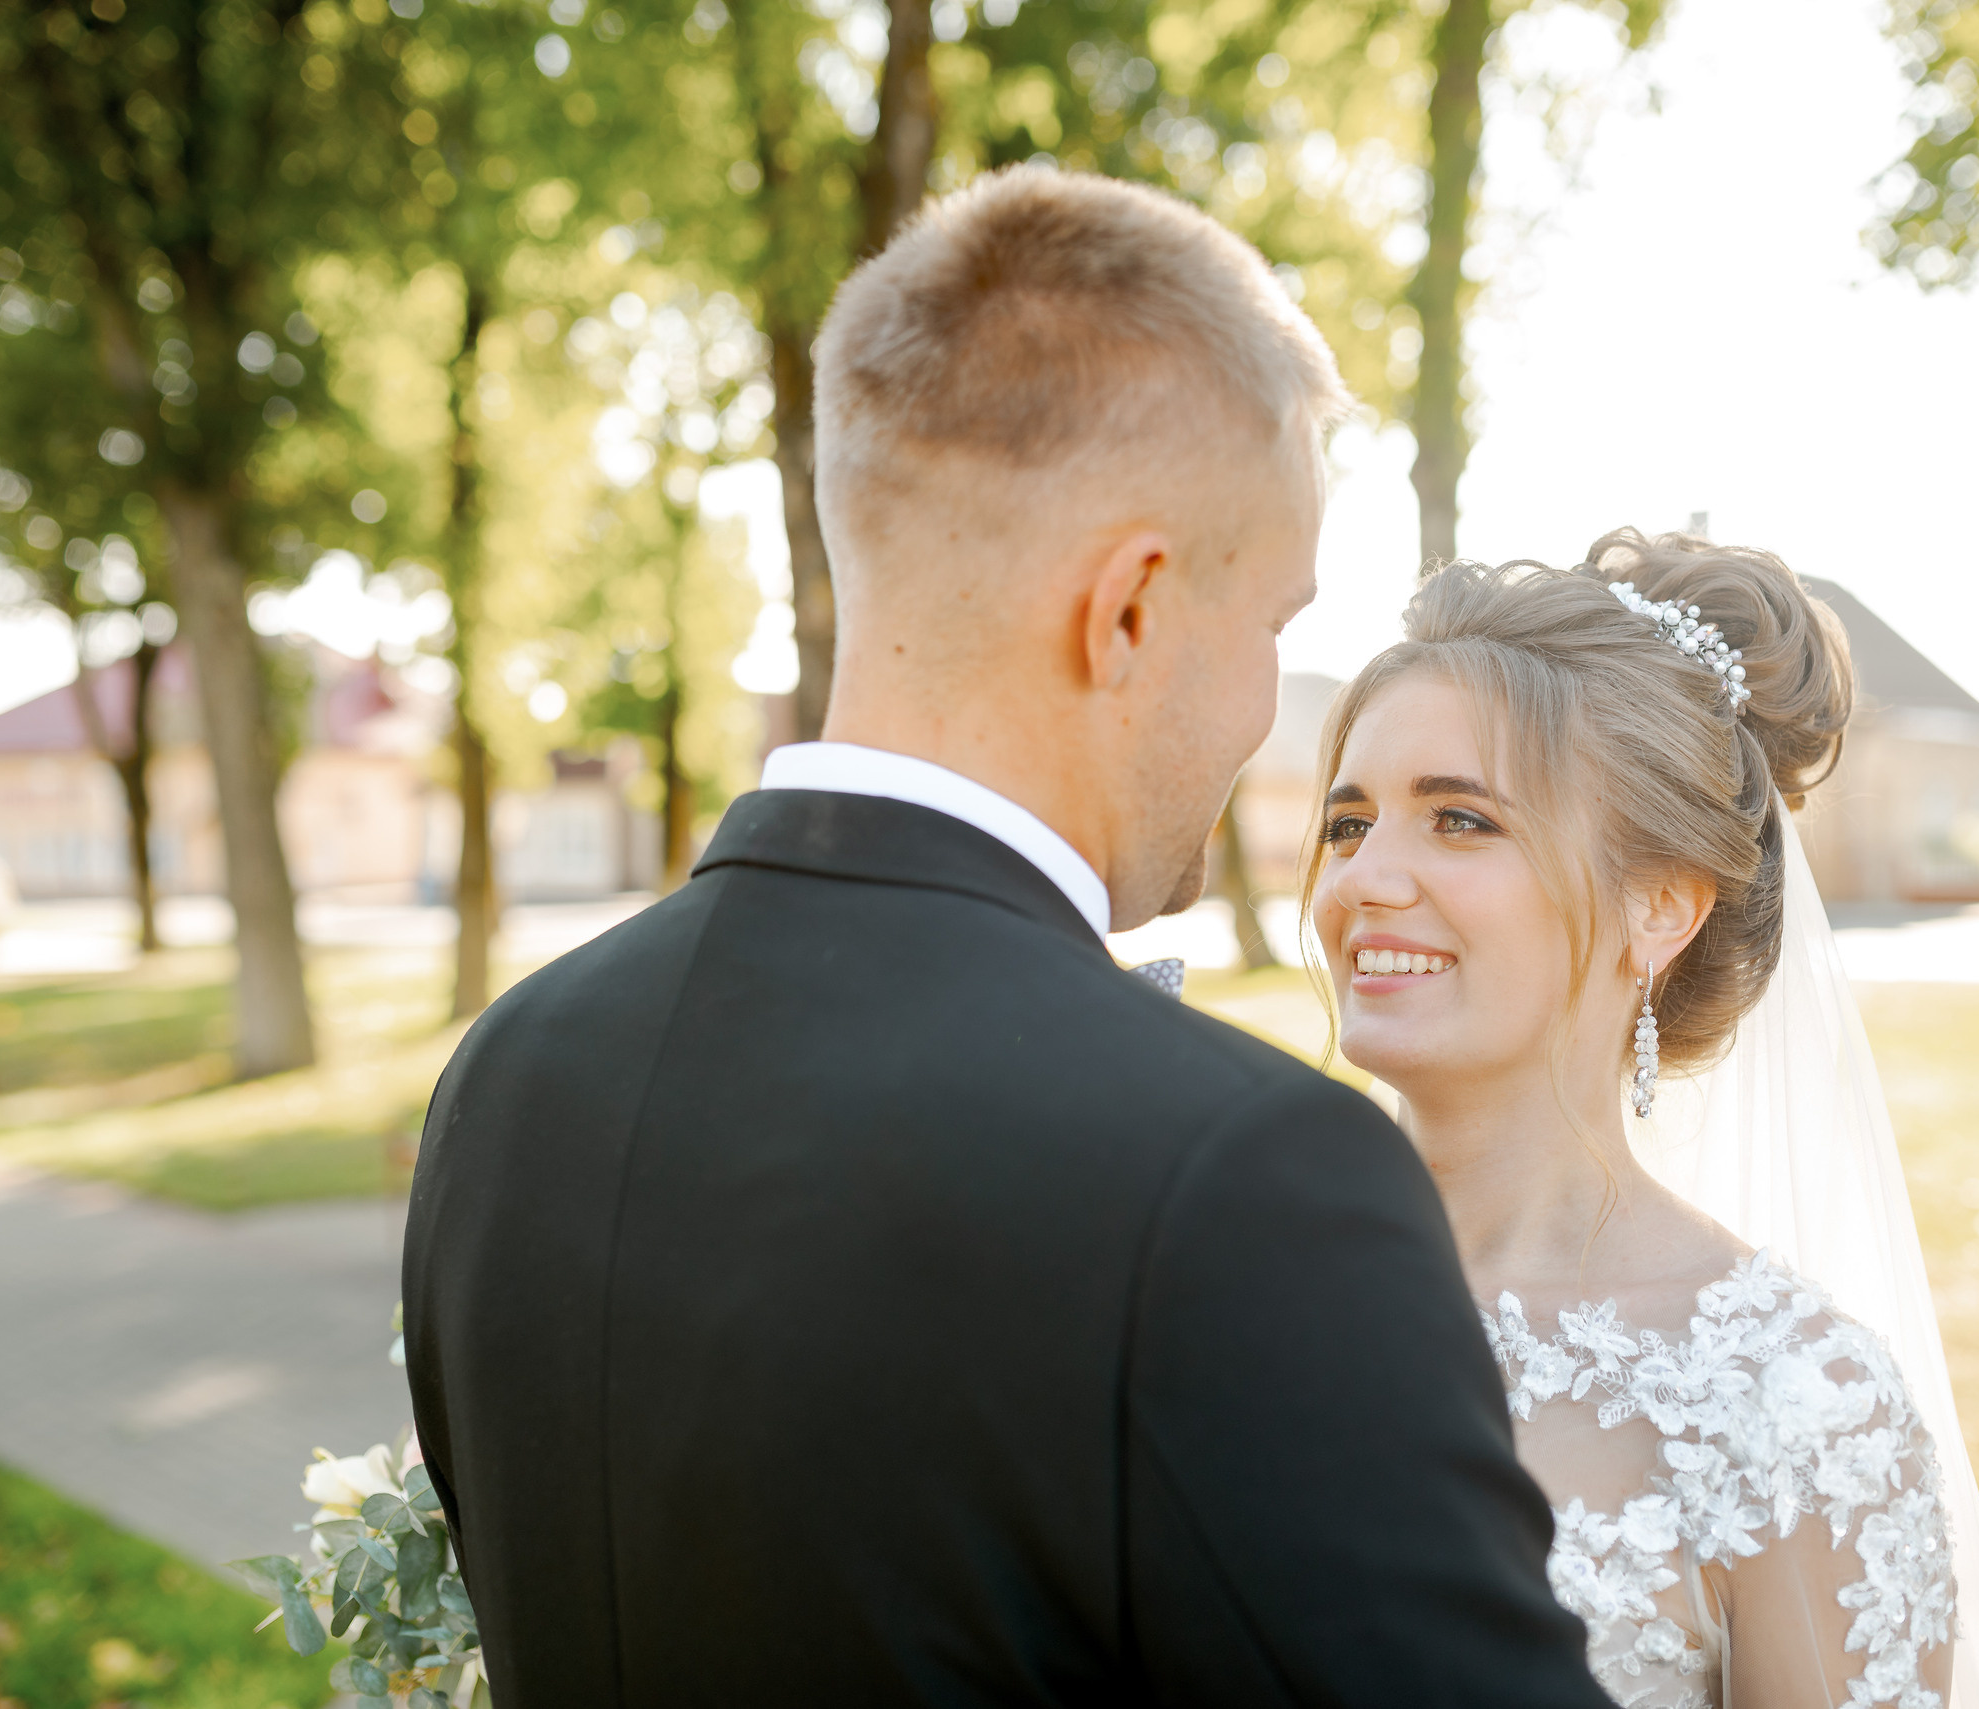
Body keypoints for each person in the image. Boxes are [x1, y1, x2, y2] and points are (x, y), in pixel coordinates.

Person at [402, 167, 1612, 1706]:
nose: (1266, 708)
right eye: (1276, 626)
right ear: (1132, 610)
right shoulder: (1245, 1181)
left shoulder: (513, 1074)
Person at [1306, 534, 1979, 1709]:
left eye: (1460, 821)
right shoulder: (1213, 1277)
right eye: (1348, 823)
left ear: (1659, 906)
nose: (1361, 880)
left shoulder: (1785, 1398)